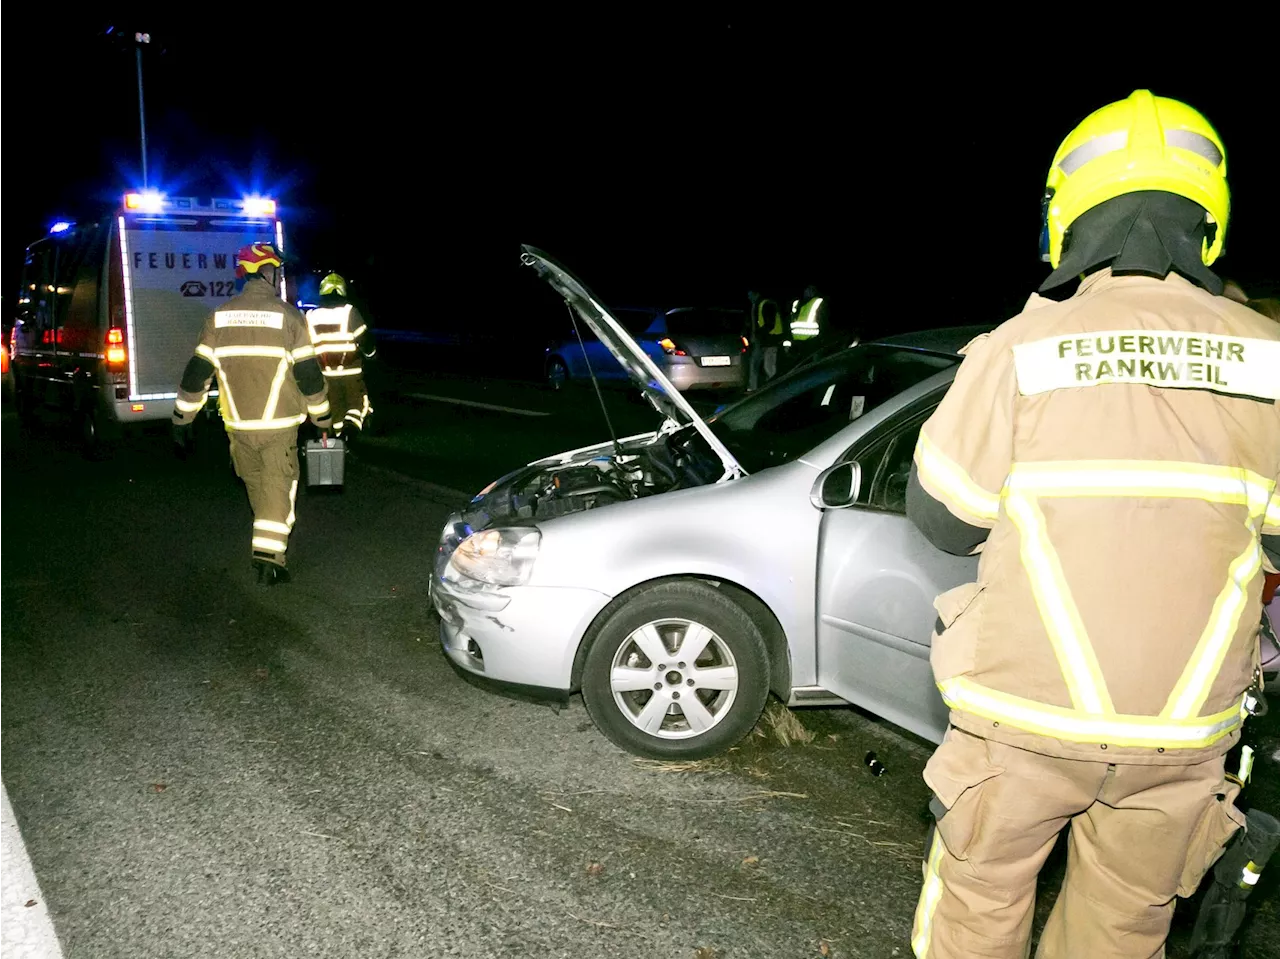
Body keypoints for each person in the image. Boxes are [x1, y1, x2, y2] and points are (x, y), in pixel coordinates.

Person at [904, 89, 1280, 958]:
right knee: (1120, 932)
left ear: (1065, 215)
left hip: (1020, 720)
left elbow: (943, 517)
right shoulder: (1269, 361)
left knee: (978, 912)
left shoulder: (1023, 347)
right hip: (1181, 733)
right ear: (1208, 219)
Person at [172, 243, 332, 586]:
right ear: (269, 271)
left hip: (238, 428)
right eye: (277, 271)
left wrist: (182, 418)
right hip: (279, 427)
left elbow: (197, 373)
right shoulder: (289, 317)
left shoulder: (218, 317)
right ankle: (270, 559)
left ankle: (266, 550)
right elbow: (309, 378)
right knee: (278, 491)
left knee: (259, 488)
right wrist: (323, 420)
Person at [305, 272, 377, 443]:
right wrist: (371, 355)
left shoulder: (310, 316)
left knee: (335, 410)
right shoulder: (349, 312)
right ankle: (348, 435)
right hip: (351, 373)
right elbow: (364, 340)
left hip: (325, 376)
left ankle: (338, 442)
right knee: (358, 406)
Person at [746, 290, 785, 391]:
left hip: (769, 340)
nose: (749, 297)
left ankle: (772, 388)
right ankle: (753, 388)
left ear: (756, 293)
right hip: (762, 341)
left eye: (750, 294)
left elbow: (769, 324)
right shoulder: (757, 305)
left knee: (769, 366)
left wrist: (760, 336)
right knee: (756, 364)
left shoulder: (766, 304)